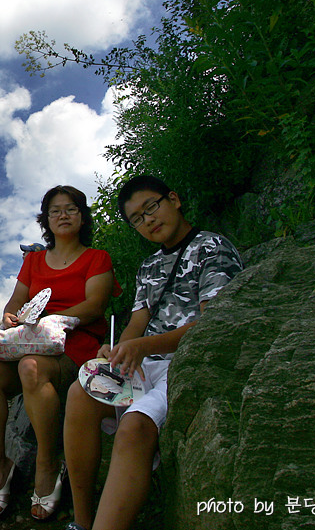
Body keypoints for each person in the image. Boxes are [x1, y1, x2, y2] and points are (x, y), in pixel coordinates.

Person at [61, 175, 244, 530]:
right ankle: (82, 521)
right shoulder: (149, 267)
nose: (148, 220)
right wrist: (117, 350)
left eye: (151, 207)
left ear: (173, 199)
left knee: (135, 426)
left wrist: (143, 347)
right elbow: (137, 322)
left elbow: (215, 326)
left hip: (186, 362)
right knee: (79, 393)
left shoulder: (212, 247)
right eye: (137, 219)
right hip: (145, 362)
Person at [0, 185, 119, 521]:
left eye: (70, 208)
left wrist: (57, 318)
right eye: (55, 210)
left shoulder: (97, 258)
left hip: (75, 346)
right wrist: (10, 316)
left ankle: (47, 463)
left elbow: (95, 305)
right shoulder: (34, 260)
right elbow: (16, 301)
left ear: (82, 216)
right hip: (30, 340)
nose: (63, 215)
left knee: (30, 368)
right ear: (46, 219)